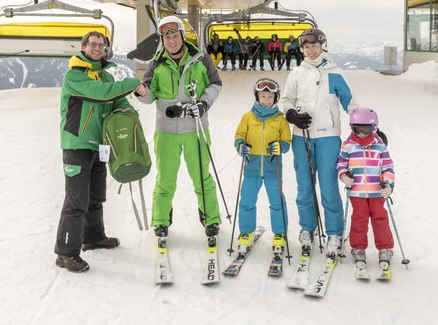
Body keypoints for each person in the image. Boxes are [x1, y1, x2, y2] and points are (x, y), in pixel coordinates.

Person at [55, 31, 142, 273]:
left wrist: (127, 110)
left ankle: (93, 237)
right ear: (83, 47)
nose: (97, 48)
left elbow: (114, 100)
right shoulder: (75, 76)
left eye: (101, 45)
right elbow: (101, 93)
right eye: (92, 44)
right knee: (76, 200)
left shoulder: (103, 75)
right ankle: (65, 252)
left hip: (99, 144)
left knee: (96, 196)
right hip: (77, 144)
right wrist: (133, 83)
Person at [134, 15, 223, 239]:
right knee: (165, 178)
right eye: (167, 38)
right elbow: (149, 93)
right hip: (166, 131)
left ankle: (210, 218)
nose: (172, 41)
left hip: (196, 128)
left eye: (175, 36)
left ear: (182, 36)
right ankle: (161, 220)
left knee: (202, 176)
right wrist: (141, 93)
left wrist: (203, 104)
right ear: (162, 41)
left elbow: (215, 84)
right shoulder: (157, 63)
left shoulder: (200, 58)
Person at [279, 27, 359, 260]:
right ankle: (307, 228)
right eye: (306, 47)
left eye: (314, 46)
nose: (310, 50)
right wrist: (291, 114)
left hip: (327, 137)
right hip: (301, 136)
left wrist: (367, 128)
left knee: (328, 186)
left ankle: (334, 232)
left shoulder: (335, 72)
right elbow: (286, 100)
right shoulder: (296, 73)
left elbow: (351, 104)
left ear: (323, 45)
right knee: (304, 186)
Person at [234, 78, 292, 254]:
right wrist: (240, 145)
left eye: (270, 96)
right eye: (262, 96)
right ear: (257, 96)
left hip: (272, 169)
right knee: (247, 200)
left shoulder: (280, 119)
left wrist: (280, 147)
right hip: (251, 168)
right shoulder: (248, 117)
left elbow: (286, 141)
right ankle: (246, 231)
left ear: (275, 98)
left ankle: (280, 233)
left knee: (277, 201)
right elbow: (239, 136)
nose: (266, 100)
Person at [337, 108, 395, 270]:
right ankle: (358, 247)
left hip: (378, 191)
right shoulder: (348, 145)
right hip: (357, 191)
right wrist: (343, 176)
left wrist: (389, 184)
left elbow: (388, 167)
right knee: (359, 219)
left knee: (380, 219)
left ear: (374, 127)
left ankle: (385, 248)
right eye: (357, 129)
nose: (361, 133)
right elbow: (341, 163)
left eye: (366, 129)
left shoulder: (380, 146)